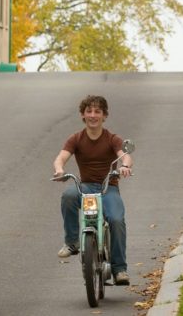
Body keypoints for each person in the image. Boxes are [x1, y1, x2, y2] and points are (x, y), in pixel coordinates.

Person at [52, 95, 133, 285]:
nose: (93, 115)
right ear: (82, 115)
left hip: (108, 188)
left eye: (98, 111)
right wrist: (59, 170)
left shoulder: (112, 138)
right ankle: (72, 243)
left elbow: (126, 156)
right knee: (68, 196)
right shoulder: (76, 138)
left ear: (104, 115)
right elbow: (60, 158)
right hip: (86, 187)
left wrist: (125, 166)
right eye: (89, 111)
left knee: (116, 219)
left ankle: (119, 269)